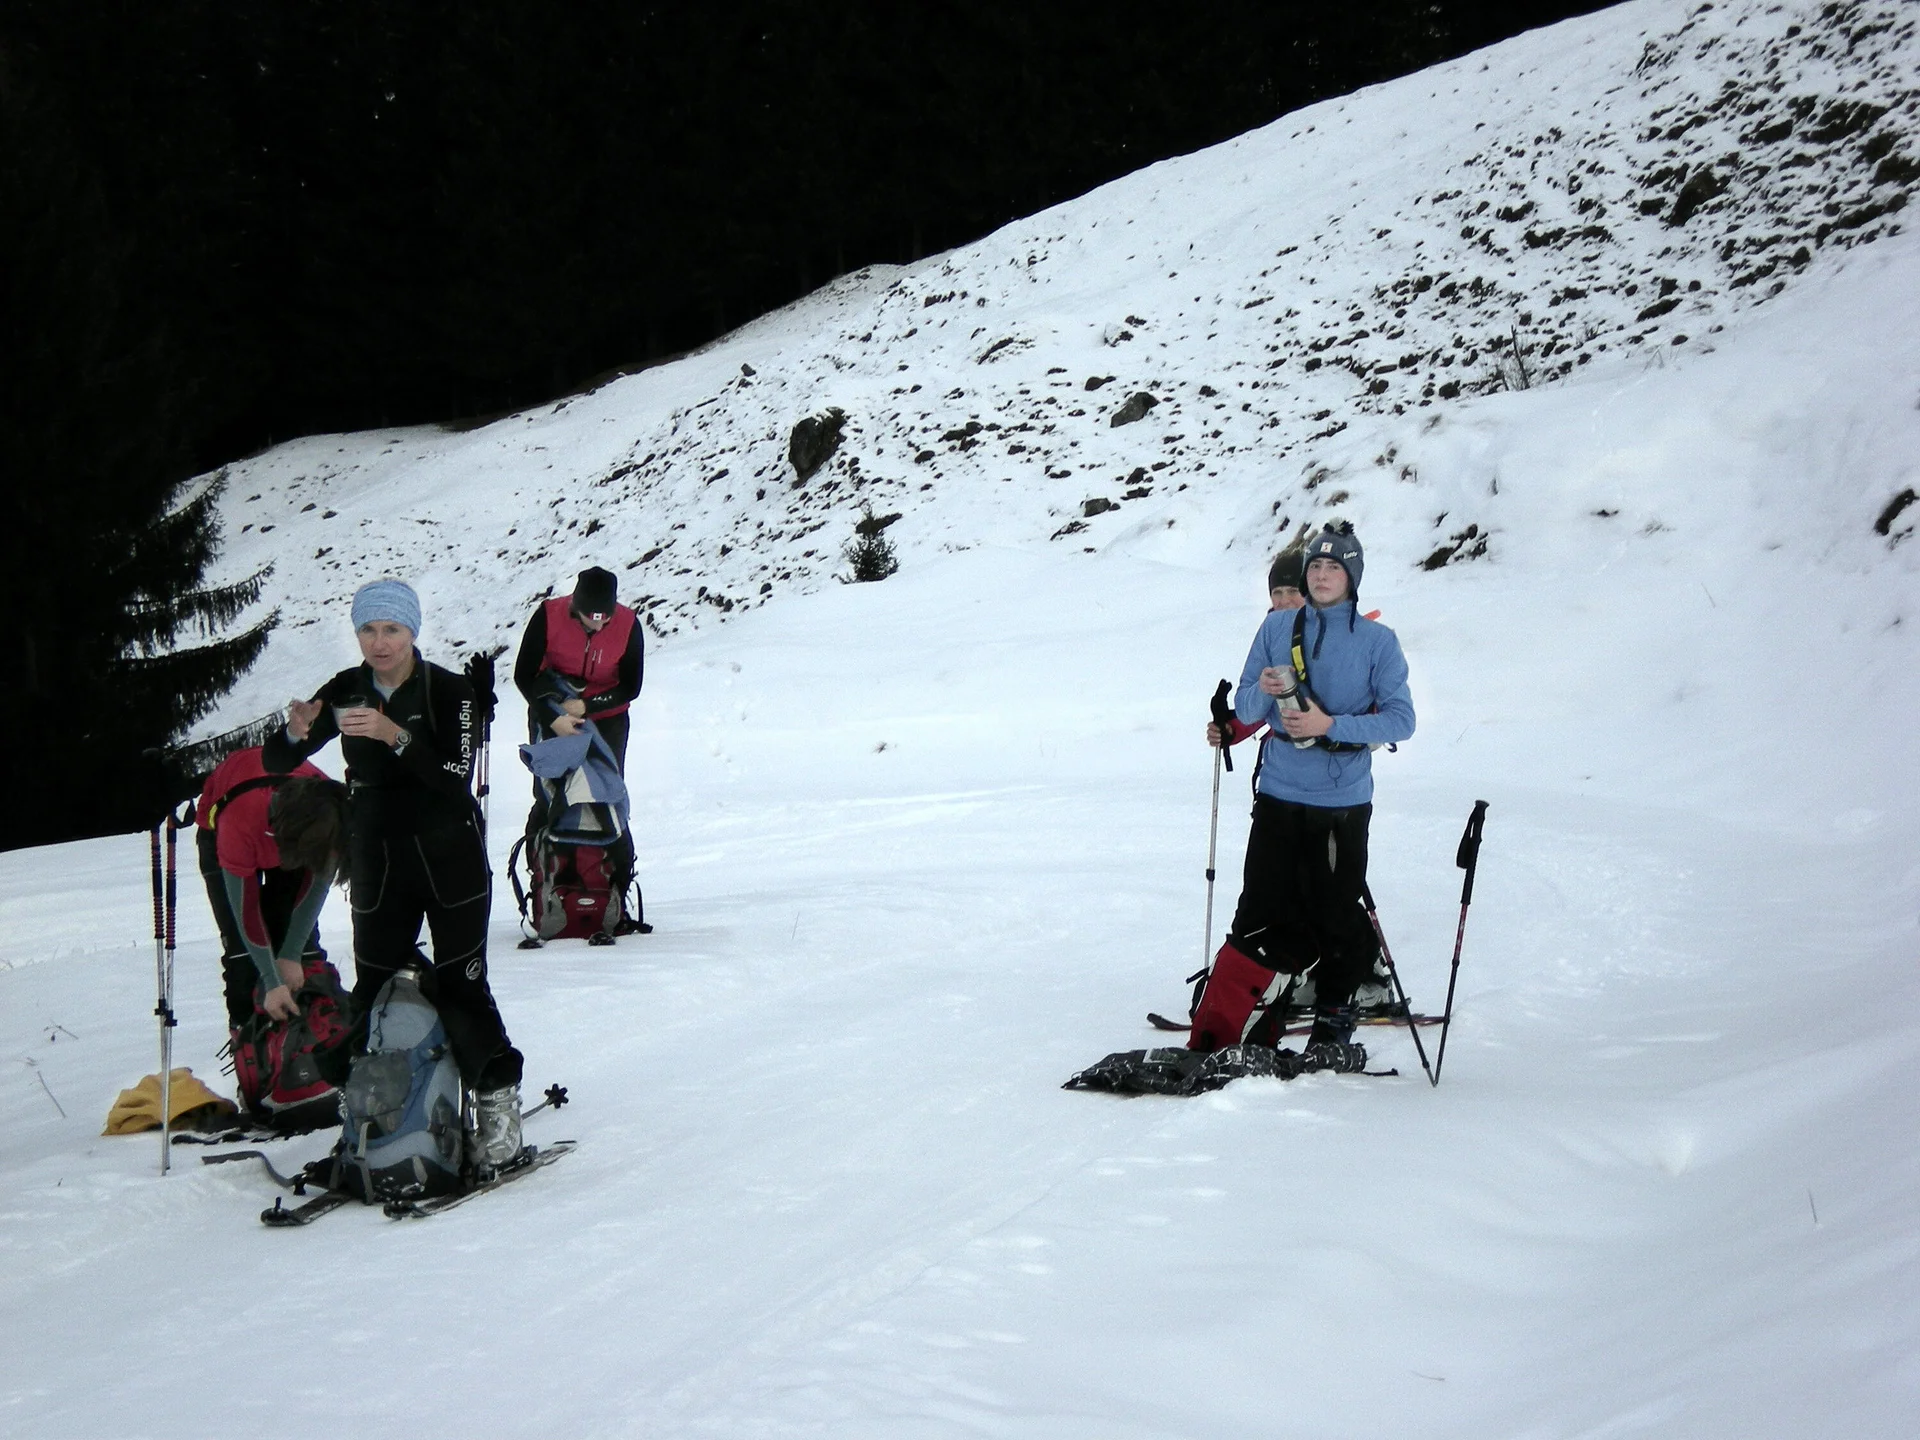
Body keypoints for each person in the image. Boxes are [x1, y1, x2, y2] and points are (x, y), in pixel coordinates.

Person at [263, 577, 526, 1167]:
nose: (379, 643)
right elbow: (279, 760)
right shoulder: (348, 688)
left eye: (392, 630)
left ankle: (496, 1103)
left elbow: (454, 774)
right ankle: (371, 1106)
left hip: (448, 852)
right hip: (378, 854)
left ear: (412, 632)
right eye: (368, 630)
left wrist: (394, 734)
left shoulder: (449, 691)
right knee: (375, 986)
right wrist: (298, 731)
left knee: (463, 983)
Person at [1188, 522, 1415, 1057]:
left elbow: (1401, 721)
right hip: (1279, 795)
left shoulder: (1378, 643)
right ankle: (1258, 1009)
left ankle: (1335, 1024)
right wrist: (1257, 696)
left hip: (1340, 803)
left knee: (1335, 912)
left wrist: (1328, 726)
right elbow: (1245, 707)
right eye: (1315, 565)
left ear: (1352, 576)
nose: (1321, 574)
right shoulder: (1276, 629)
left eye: (1334, 566)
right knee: (1261, 908)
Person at [193, 750, 352, 1126]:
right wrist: (269, 978)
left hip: (296, 828)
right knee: (242, 957)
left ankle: (312, 1061)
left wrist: (292, 954)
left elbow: (316, 885)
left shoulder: (332, 814)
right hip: (228, 832)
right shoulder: (241, 822)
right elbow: (245, 913)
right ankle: (255, 1073)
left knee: (301, 949)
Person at [514, 565, 644, 769]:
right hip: (553, 707)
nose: (599, 628)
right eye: (591, 621)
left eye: (606, 621)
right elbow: (523, 675)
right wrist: (552, 717)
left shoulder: (629, 624)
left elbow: (631, 686)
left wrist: (586, 706)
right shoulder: (548, 615)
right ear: (577, 609)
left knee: (605, 790)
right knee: (550, 787)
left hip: (608, 716)